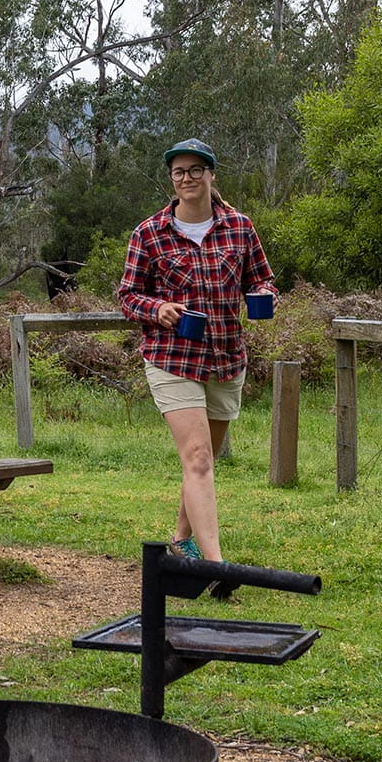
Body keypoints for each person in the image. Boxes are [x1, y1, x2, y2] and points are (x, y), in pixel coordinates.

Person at [115, 138, 276, 566]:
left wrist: (262, 295)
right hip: (172, 358)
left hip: (227, 357)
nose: (187, 178)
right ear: (172, 179)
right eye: (179, 172)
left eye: (195, 170)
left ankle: (180, 540)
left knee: (205, 460)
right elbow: (128, 297)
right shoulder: (149, 233)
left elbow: (262, 279)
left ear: (211, 175)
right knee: (199, 458)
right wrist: (159, 308)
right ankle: (215, 565)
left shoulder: (240, 227)